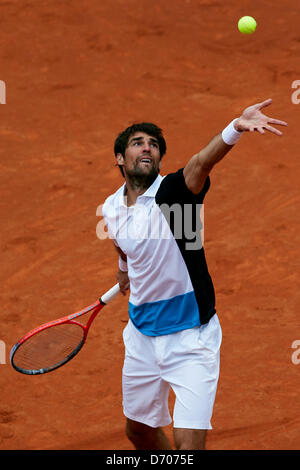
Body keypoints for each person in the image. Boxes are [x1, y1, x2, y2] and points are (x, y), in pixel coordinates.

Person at [101, 98, 287, 450]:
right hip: (140, 335)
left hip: (190, 339)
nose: (147, 148)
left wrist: (235, 127)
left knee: (188, 447)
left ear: (158, 159)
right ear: (120, 160)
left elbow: (203, 161)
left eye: (154, 145)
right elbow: (122, 243)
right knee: (137, 432)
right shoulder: (111, 206)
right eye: (138, 143)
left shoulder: (175, 193)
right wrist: (124, 270)